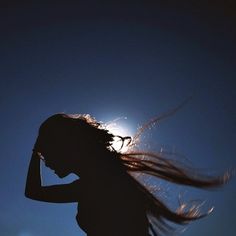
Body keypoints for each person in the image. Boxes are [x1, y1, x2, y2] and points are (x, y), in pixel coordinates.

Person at [25, 113, 230, 236]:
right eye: (42, 155)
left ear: (65, 148)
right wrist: (37, 150)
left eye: (46, 153)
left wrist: (34, 151)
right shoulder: (100, 180)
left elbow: (33, 192)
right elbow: (34, 192)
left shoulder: (97, 184)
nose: (47, 163)